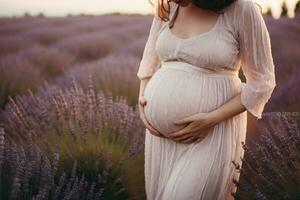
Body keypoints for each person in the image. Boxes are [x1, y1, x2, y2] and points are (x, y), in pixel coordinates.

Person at [137, 0, 276, 199]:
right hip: (160, 139)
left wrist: (211, 119)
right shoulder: (171, 7)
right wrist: (143, 100)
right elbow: (149, 60)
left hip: (211, 134)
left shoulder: (241, 10)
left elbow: (263, 82)